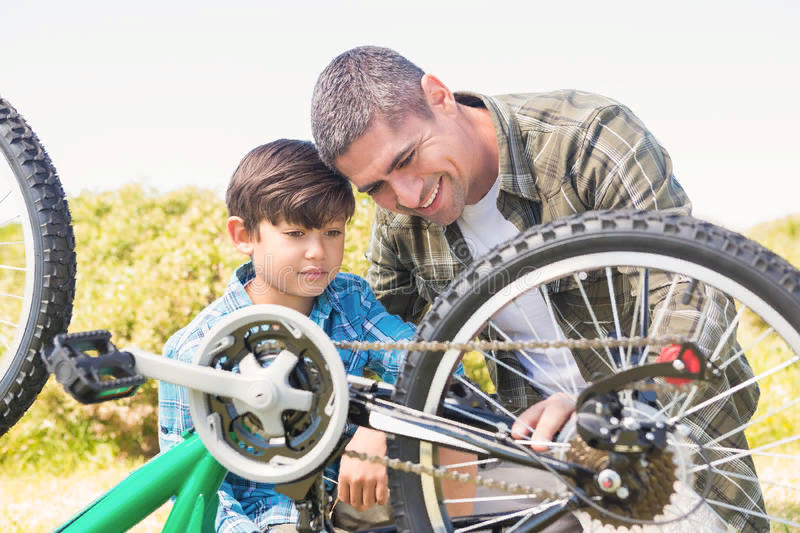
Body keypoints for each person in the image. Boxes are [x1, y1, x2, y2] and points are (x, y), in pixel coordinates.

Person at [310, 46, 766, 532]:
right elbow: (387, 346)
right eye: (376, 186)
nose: (406, 196)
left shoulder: (588, 141)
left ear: (439, 96)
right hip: (533, 458)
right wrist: (378, 420)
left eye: (407, 159)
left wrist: (606, 409)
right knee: (363, 505)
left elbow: (690, 296)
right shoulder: (399, 224)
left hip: (662, 435)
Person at [157, 139, 414, 533]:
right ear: (244, 236)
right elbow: (188, 486)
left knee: (440, 453)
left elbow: (420, 361)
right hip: (261, 520)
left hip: (348, 500)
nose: (318, 252)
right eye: (296, 233)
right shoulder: (194, 349)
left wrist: (383, 426)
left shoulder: (350, 299)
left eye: (332, 232)